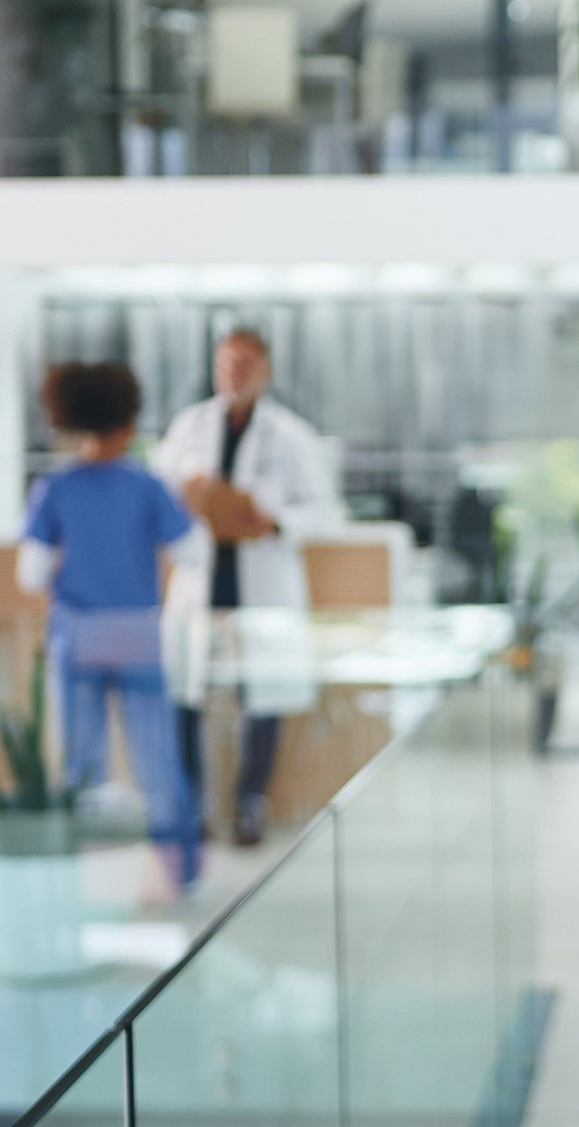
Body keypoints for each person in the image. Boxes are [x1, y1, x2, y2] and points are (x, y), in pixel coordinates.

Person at [18, 363, 204, 889]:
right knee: (158, 761)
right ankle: (182, 873)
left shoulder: (54, 487)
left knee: (81, 766)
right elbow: (191, 550)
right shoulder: (147, 485)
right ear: (126, 420)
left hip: (76, 639)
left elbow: (30, 575)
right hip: (139, 637)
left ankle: (81, 875)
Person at [154, 327, 343, 846]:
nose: (233, 374)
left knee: (261, 697)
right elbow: (160, 498)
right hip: (201, 581)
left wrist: (273, 520)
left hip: (260, 580)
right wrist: (191, 501)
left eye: (244, 365)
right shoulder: (188, 427)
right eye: (226, 364)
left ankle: (249, 803)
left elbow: (323, 513)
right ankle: (191, 805)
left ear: (265, 370)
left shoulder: (291, 435)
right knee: (184, 693)